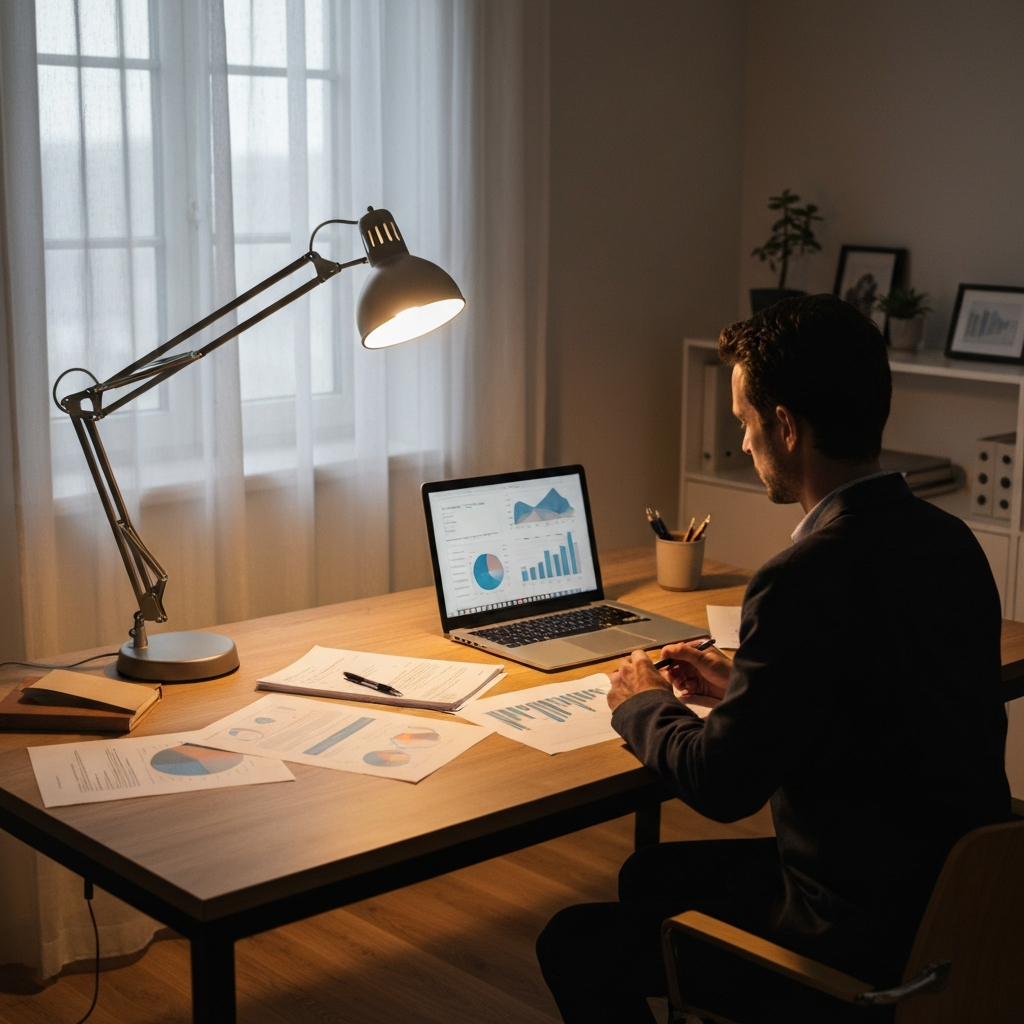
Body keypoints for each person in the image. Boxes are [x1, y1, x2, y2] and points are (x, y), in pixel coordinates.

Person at [536, 294, 1011, 1024]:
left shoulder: (803, 576)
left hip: (849, 945)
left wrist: (639, 701)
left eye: (746, 425)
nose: (745, 442)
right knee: (649, 873)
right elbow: (877, 702)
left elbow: (722, 788)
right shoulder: (952, 544)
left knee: (573, 941)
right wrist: (742, 684)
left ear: (786, 428)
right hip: (954, 905)